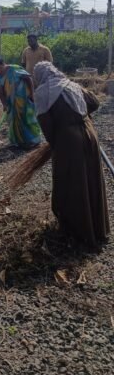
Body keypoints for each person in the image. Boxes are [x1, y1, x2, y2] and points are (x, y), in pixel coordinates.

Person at [34, 61, 109, 249]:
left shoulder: (43, 92)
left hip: (69, 141)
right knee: (91, 178)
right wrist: (82, 117)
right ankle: (98, 229)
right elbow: (95, 102)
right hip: (89, 133)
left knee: (71, 182)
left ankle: (79, 232)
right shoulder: (72, 85)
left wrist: (56, 144)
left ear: (39, 76)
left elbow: (47, 127)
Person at [0, 57, 41, 149]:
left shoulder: (15, 69)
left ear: (4, 64)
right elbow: (0, 92)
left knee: (26, 118)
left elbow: (28, 79)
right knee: (13, 120)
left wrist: (32, 94)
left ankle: (33, 140)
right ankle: (18, 140)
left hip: (24, 98)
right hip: (11, 101)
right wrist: (4, 104)